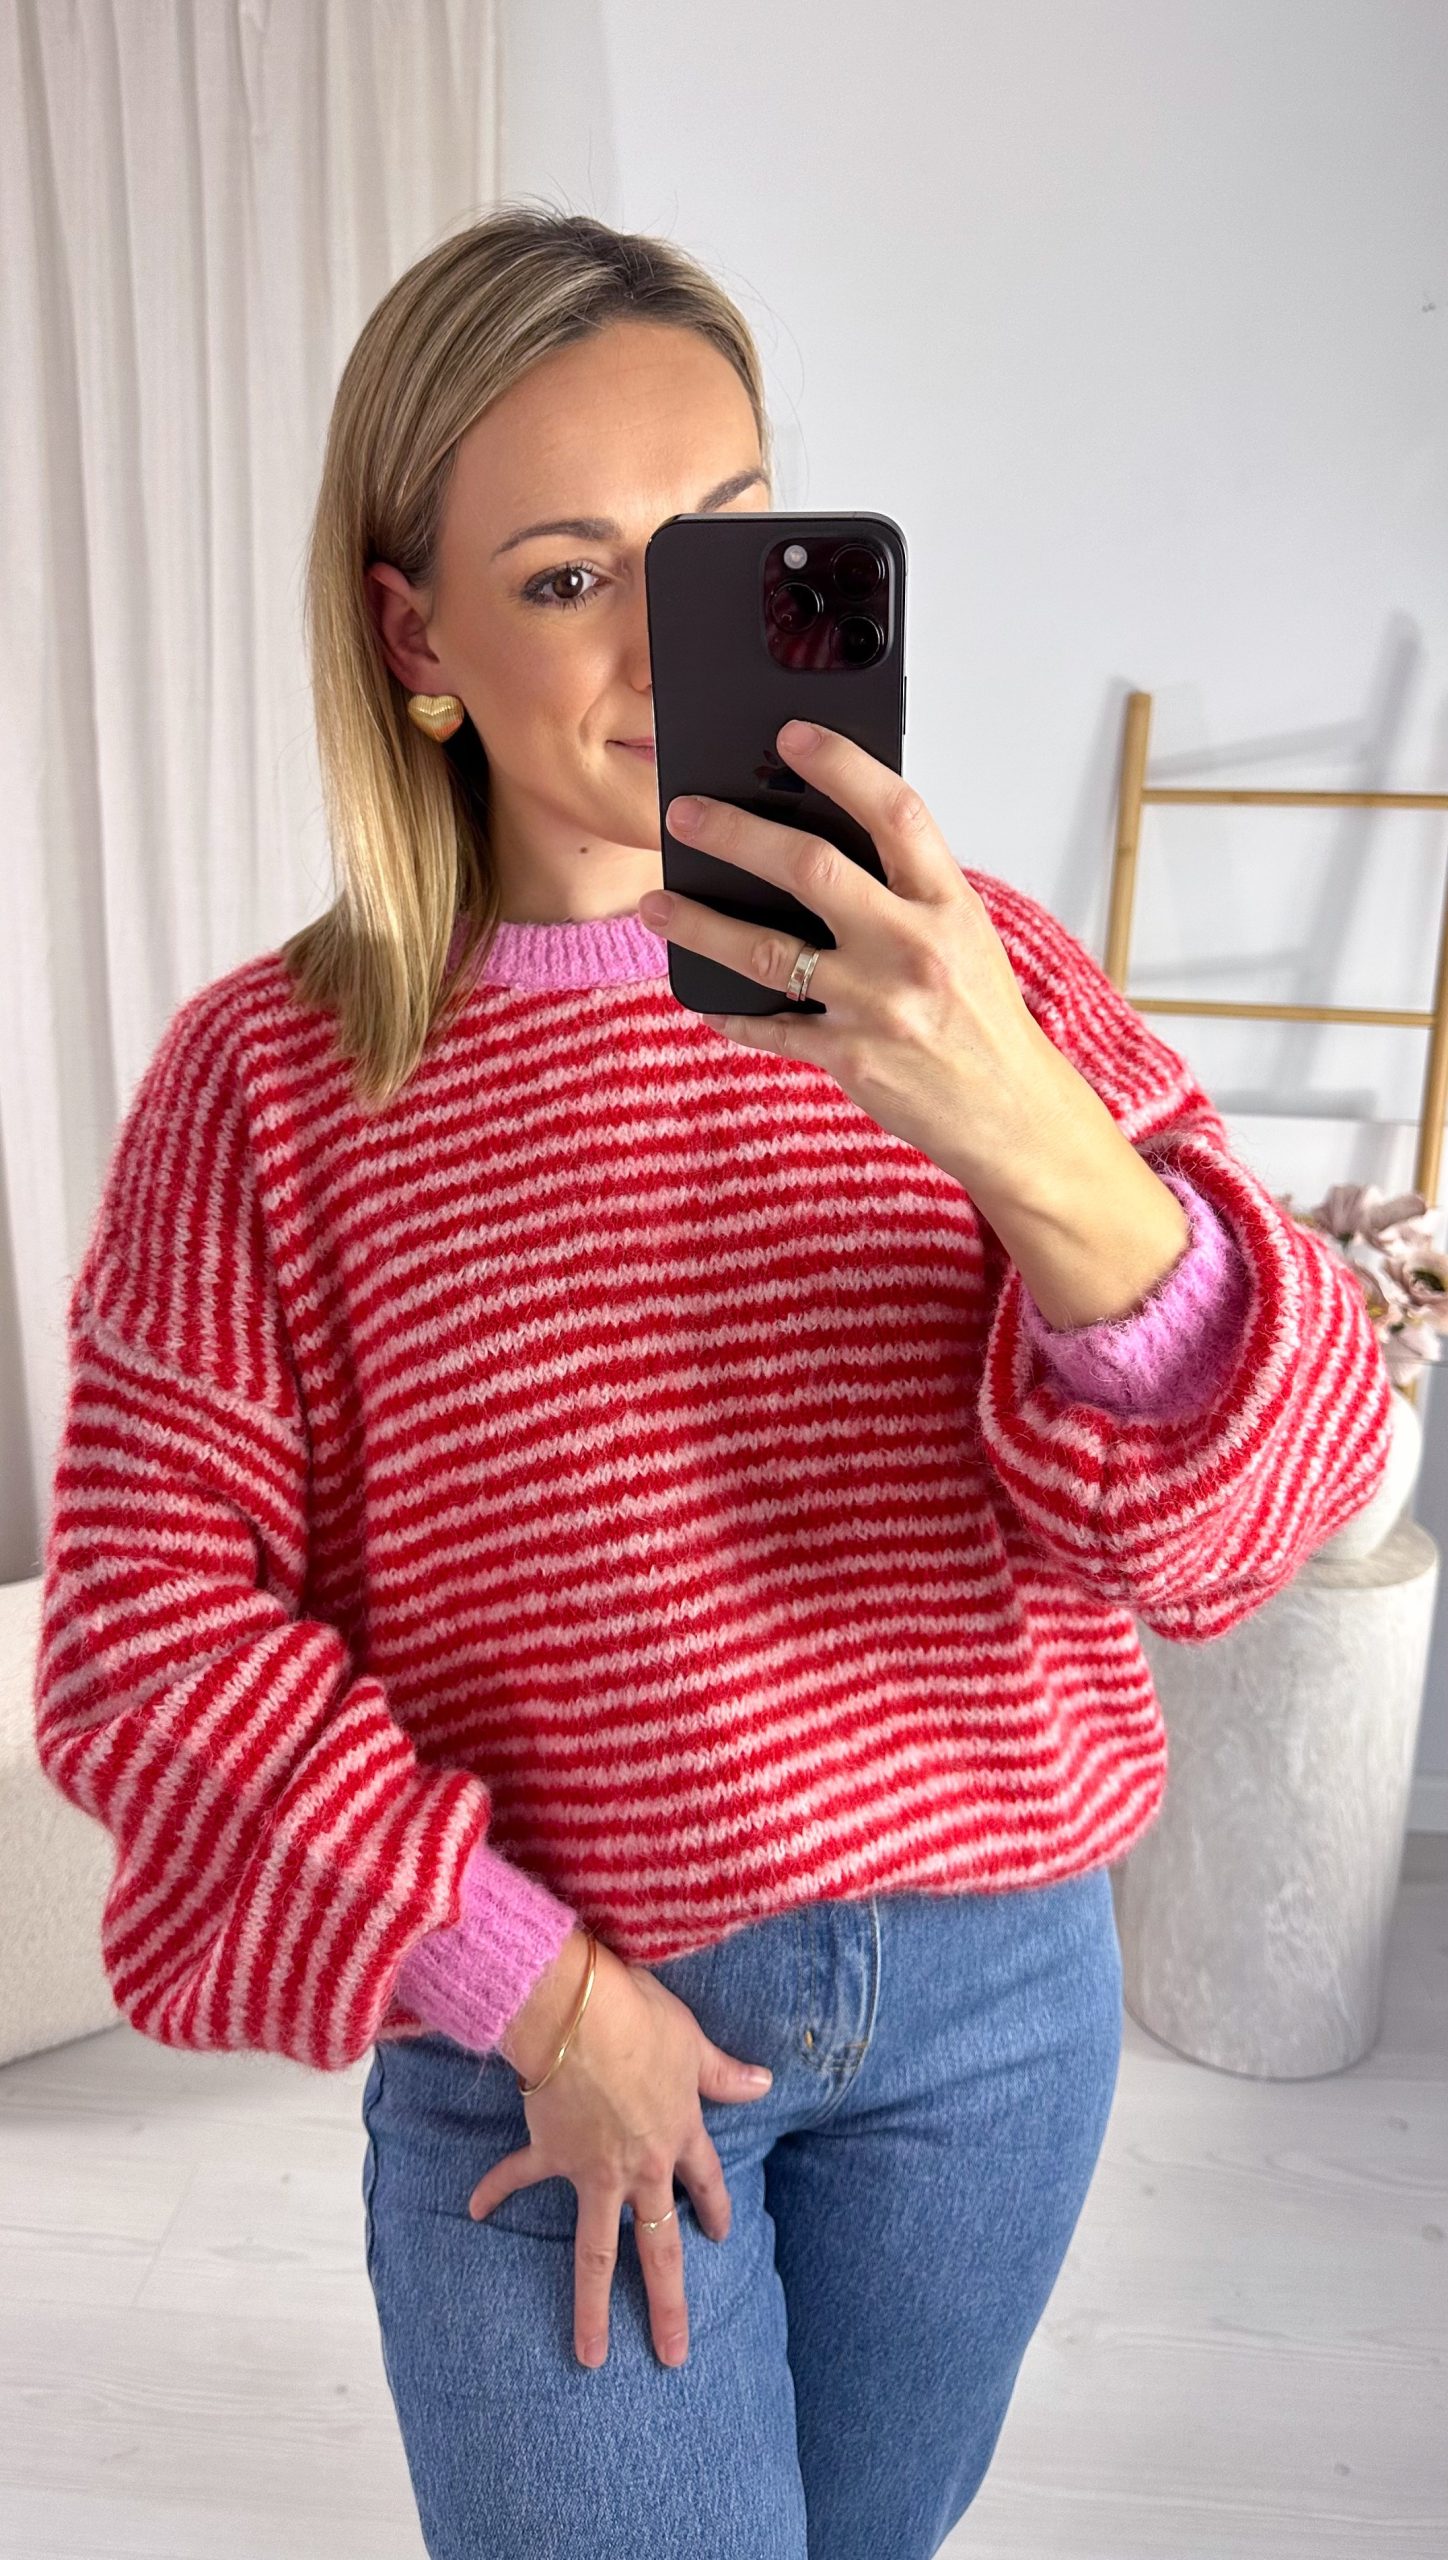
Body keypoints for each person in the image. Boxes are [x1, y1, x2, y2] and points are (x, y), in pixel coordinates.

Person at [33, 203, 1395, 2560]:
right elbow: (144, 1637)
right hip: (543, 2032)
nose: (669, 642)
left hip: (996, 2017)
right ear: (414, 633)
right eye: (570, 575)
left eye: (725, 545)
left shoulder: (974, 976)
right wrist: (536, 1991)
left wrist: (1021, 1127)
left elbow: (1273, 1511)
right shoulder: (273, 1084)